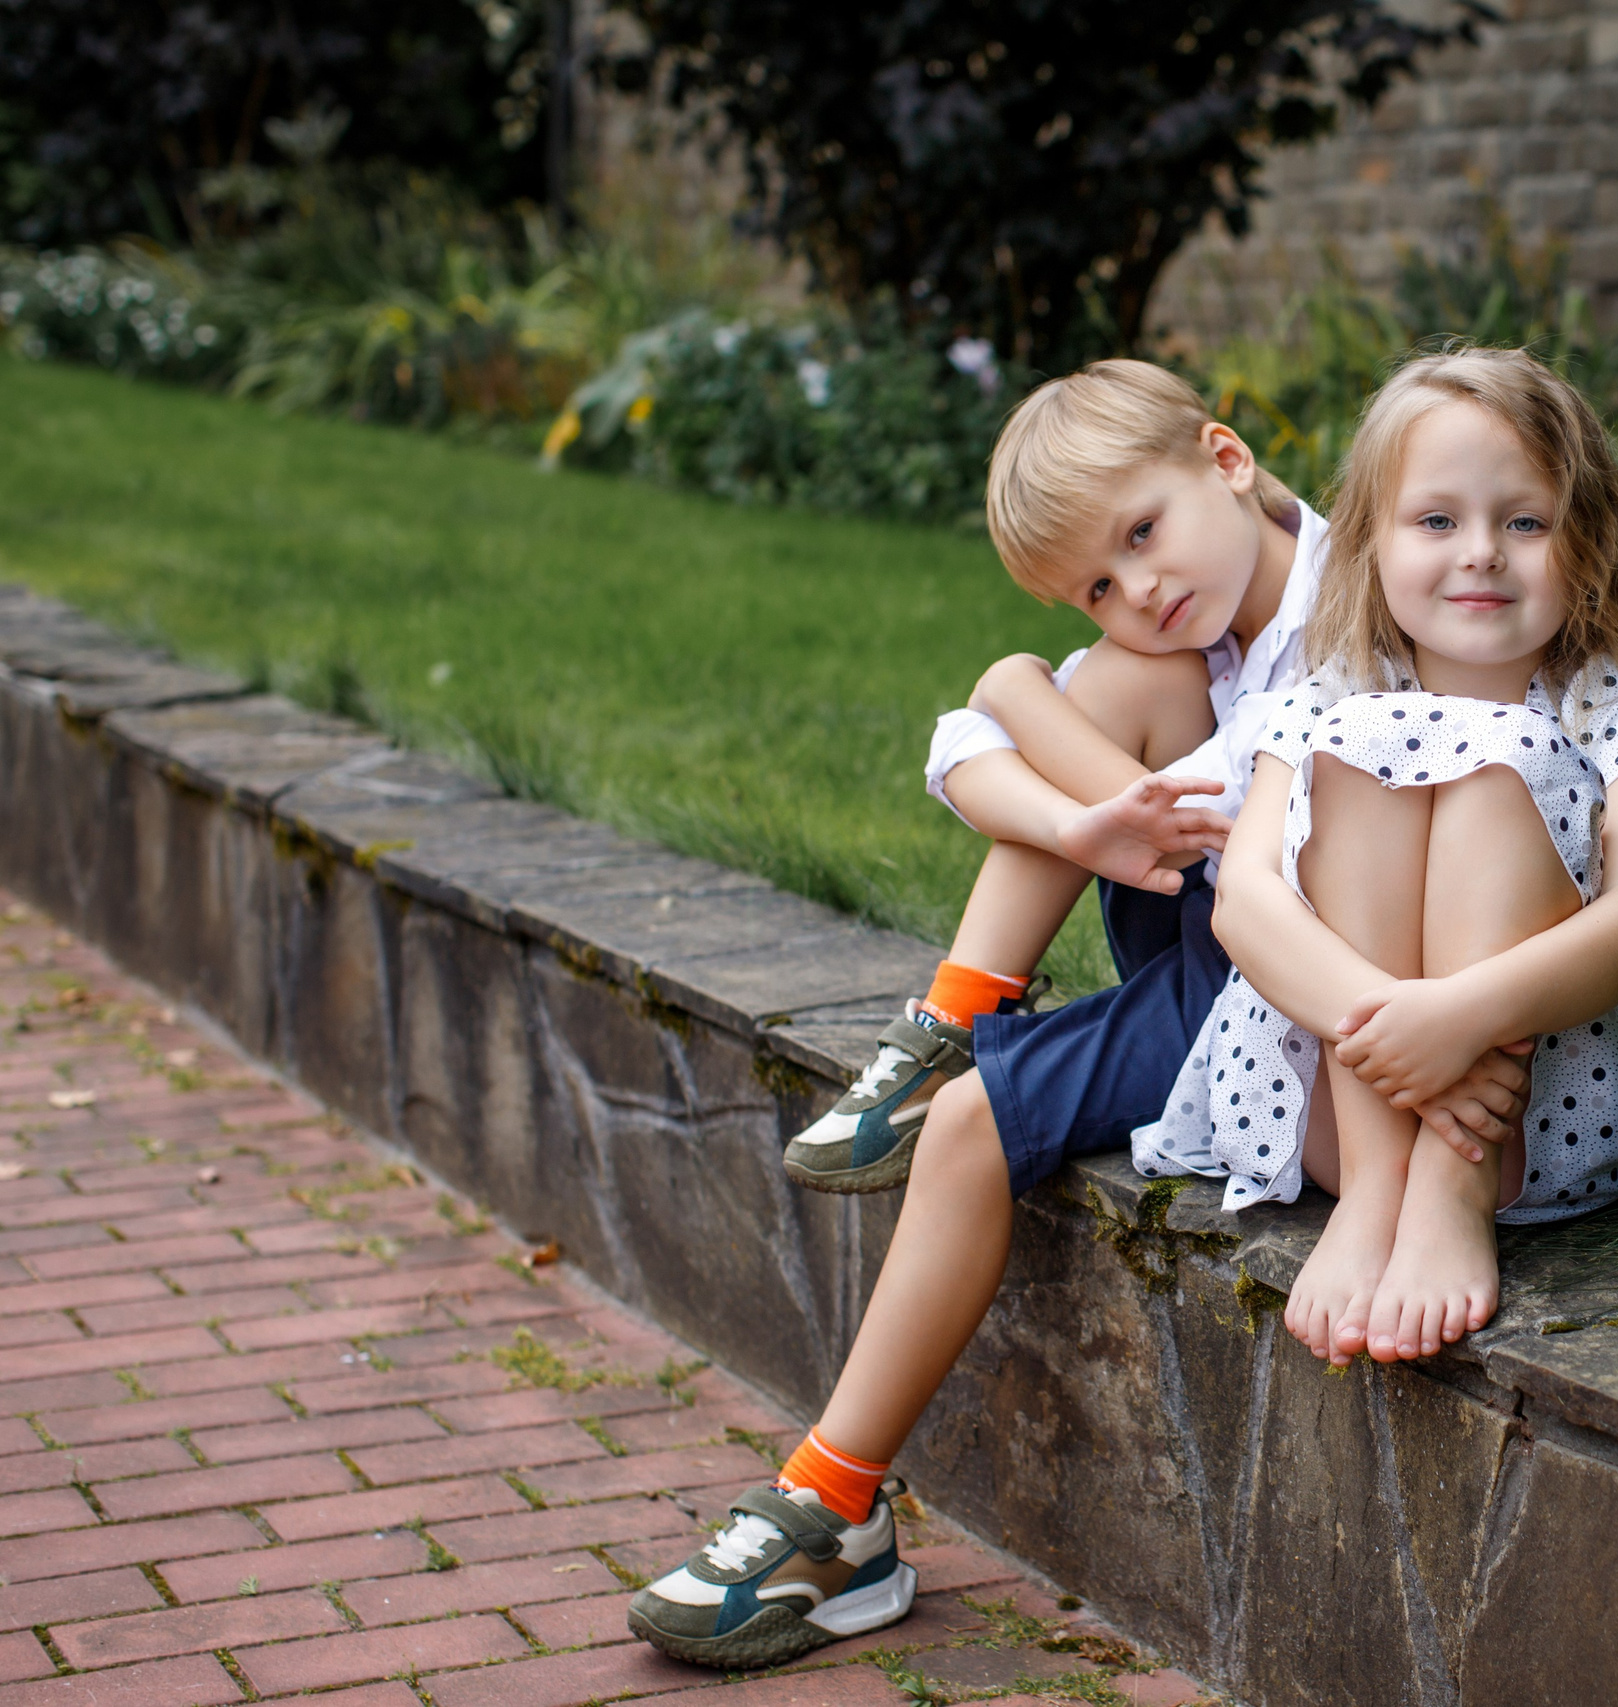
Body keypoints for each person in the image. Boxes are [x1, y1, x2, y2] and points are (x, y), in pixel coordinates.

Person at [627, 359, 1533, 1668]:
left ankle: (832, 1502)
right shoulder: (1191, 636)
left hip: (1324, 976)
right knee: (1104, 713)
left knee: (977, 1101)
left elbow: (1232, 819)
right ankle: (949, 1029)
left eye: (1142, 534)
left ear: (1227, 460)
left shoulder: (1369, 601)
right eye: (1096, 585)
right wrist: (1065, 789)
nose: (1139, 589)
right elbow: (965, 750)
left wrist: (1018, 697)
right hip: (1220, 952)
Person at [1133, 346, 1618, 1369]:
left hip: (1548, 1110)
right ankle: (1381, 1194)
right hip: (1339, 1108)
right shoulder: (1325, 694)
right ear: (1370, 540)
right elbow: (1242, 900)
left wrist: (1459, 1018)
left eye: (1524, 522)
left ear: (1586, 542)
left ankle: (1450, 1192)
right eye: (1435, 520)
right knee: (1367, 743)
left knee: (1492, 762)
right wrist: (1390, 1031)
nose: (1479, 553)